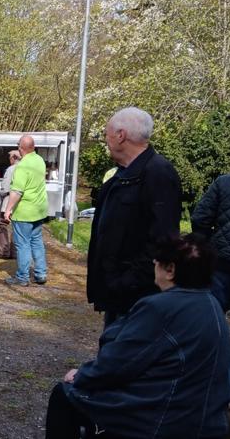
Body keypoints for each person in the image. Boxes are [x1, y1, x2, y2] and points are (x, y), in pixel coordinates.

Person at [45, 234, 230, 439]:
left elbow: (117, 363)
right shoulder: (212, 304)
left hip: (163, 420)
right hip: (205, 419)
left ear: (170, 270)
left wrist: (81, 375)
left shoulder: (160, 308)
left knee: (64, 395)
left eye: (158, 261)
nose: (153, 263)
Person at [88, 107, 181, 327]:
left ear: (121, 135)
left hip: (136, 296)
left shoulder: (158, 173)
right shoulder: (123, 175)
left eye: (106, 134)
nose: (106, 140)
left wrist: (126, 282)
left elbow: (163, 239)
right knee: (113, 352)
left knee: (126, 356)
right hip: (118, 293)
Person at [193, 150, 230, 432]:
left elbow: (200, 218)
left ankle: (204, 391)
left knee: (212, 327)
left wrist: (208, 249)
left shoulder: (226, 183)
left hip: (222, 267)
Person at [3, 136, 49, 286]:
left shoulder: (22, 167)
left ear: (21, 148)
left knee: (22, 244)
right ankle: (40, 273)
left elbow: (17, 192)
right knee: (36, 242)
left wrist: (8, 210)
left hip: (24, 212)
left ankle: (22, 277)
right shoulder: (39, 160)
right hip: (39, 209)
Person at [0, 150, 21, 259]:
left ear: (14, 157)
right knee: (16, 227)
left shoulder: (11, 169)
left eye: (10, 157)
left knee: (2, 225)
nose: (9, 159)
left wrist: (1, 194)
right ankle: (15, 252)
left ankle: (4, 251)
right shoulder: (26, 168)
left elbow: (5, 187)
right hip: (20, 203)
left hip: (8, 201)